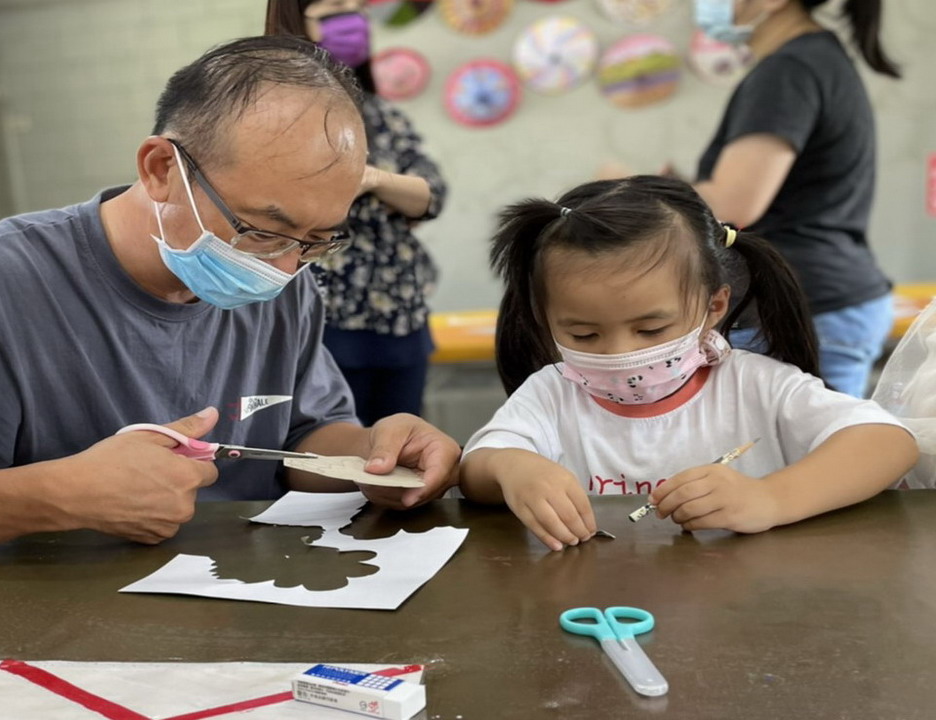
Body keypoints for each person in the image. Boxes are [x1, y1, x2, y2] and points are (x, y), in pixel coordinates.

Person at [0, 36, 461, 562]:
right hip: (29, 635)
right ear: (162, 169)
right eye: (263, 230)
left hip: (239, 601)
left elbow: (299, 434)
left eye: (316, 241)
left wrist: (374, 454)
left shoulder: (286, 287)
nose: (284, 267)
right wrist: (55, 497)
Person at [458, 176, 917, 552]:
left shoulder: (754, 385)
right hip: (596, 610)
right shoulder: (551, 392)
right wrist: (513, 468)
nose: (621, 353)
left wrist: (771, 498)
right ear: (544, 318)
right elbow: (477, 469)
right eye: (584, 334)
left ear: (714, 307)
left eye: (651, 330)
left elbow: (888, 443)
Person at [689, 0, 900, 397]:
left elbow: (734, 203)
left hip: (802, 303)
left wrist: (638, 188)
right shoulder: (815, 59)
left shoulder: (790, 70)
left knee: (806, 454)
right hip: (825, 297)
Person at [265, 0, 447, 424]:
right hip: (328, 313)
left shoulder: (380, 114)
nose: (350, 20)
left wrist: (373, 179)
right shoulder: (280, 114)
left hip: (400, 311)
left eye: (354, 7)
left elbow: (430, 195)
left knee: (401, 444)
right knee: (333, 445)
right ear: (298, 22)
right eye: (333, 8)